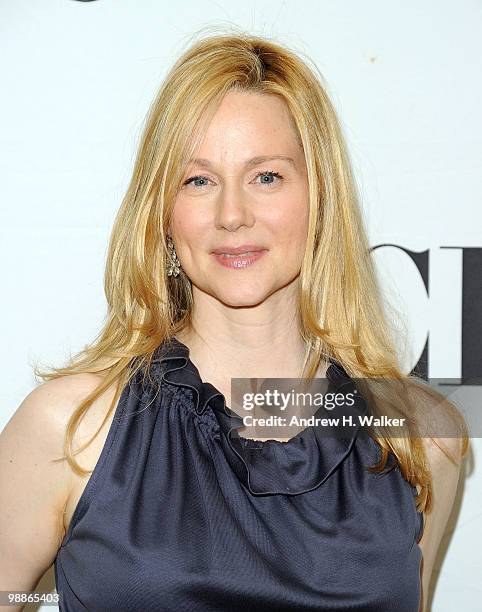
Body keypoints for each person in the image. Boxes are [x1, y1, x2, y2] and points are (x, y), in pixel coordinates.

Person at [0, 30, 469, 612]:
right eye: (198, 180)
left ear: (319, 198)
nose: (232, 215)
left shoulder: (420, 440)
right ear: (164, 215)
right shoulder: (71, 430)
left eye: (266, 176)